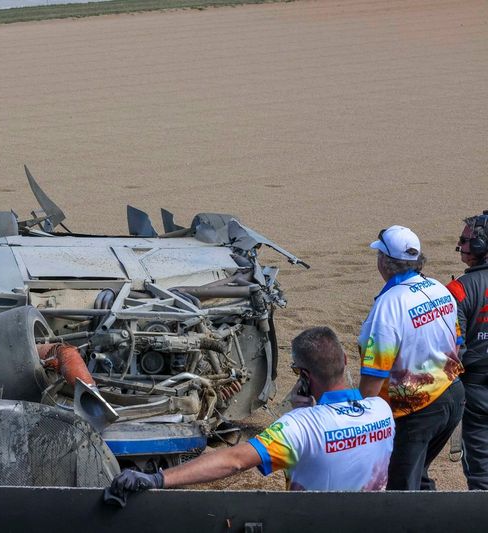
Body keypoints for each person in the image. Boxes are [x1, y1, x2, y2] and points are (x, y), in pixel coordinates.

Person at [108, 327, 395, 499]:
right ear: (344, 361)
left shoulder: (301, 426)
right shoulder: (382, 411)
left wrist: (158, 479)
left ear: (304, 375)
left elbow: (234, 461)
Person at [358, 225, 464, 490]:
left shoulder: (389, 305)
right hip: (452, 396)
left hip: (416, 411)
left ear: (384, 261)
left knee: (400, 489)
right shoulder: (439, 288)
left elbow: (373, 377)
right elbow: (458, 343)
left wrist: (361, 421)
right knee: (418, 475)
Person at [446, 211, 488, 489]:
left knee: (481, 469)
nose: (461, 245)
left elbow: (452, 350)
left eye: (465, 240)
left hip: (476, 389)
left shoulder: (459, 289)